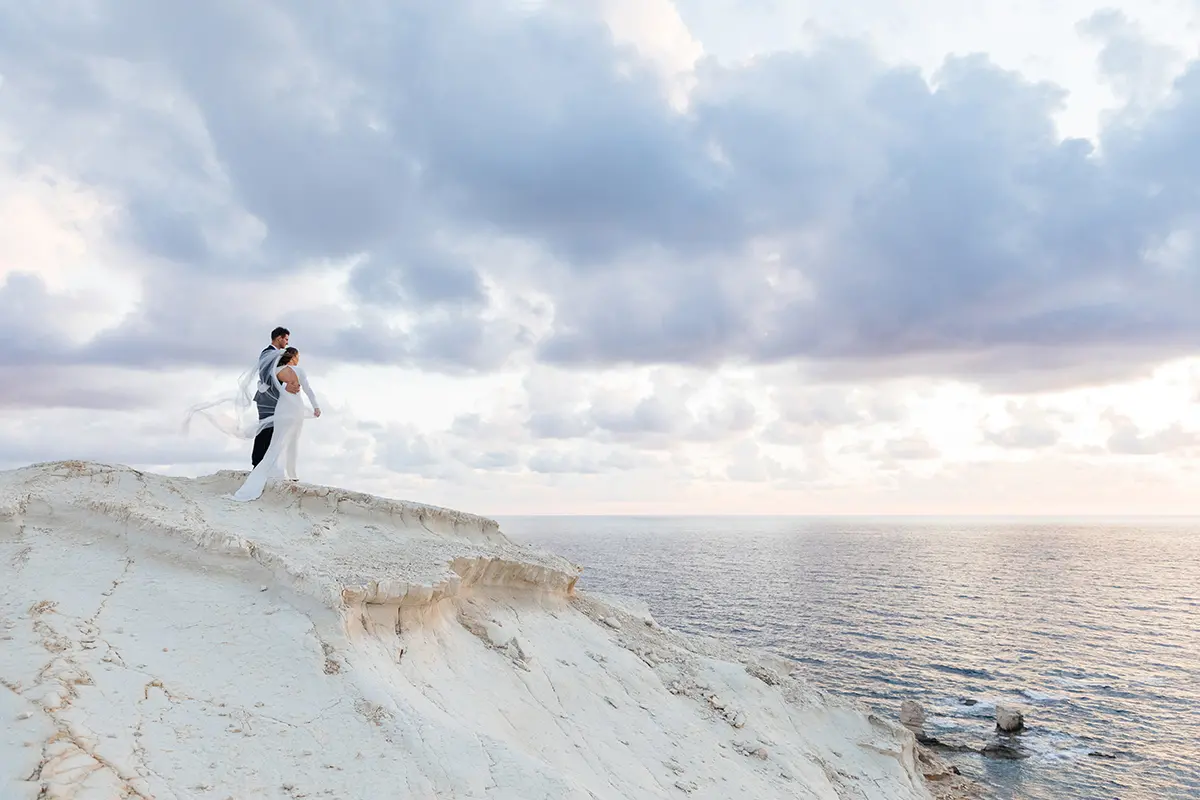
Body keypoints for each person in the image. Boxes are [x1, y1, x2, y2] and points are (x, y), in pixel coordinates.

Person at [228, 346, 321, 502]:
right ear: (293, 357)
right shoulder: (299, 371)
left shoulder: (275, 371)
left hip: (281, 409)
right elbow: (308, 390)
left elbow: (273, 388)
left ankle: (271, 470)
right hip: (295, 409)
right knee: (293, 440)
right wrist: (316, 407)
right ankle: (291, 473)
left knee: (276, 442)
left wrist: (285, 386)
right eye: (297, 356)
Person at [252, 326, 295, 467]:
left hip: (274, 396)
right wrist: (283, 386)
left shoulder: (276, 353)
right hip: (267, 398)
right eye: (286, 339)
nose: (287, 343)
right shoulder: (268, 353)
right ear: (279, 338)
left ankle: (265, 463)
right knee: (265, 428)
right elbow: (265, 376)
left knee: (272, 429)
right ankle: (257, 463)